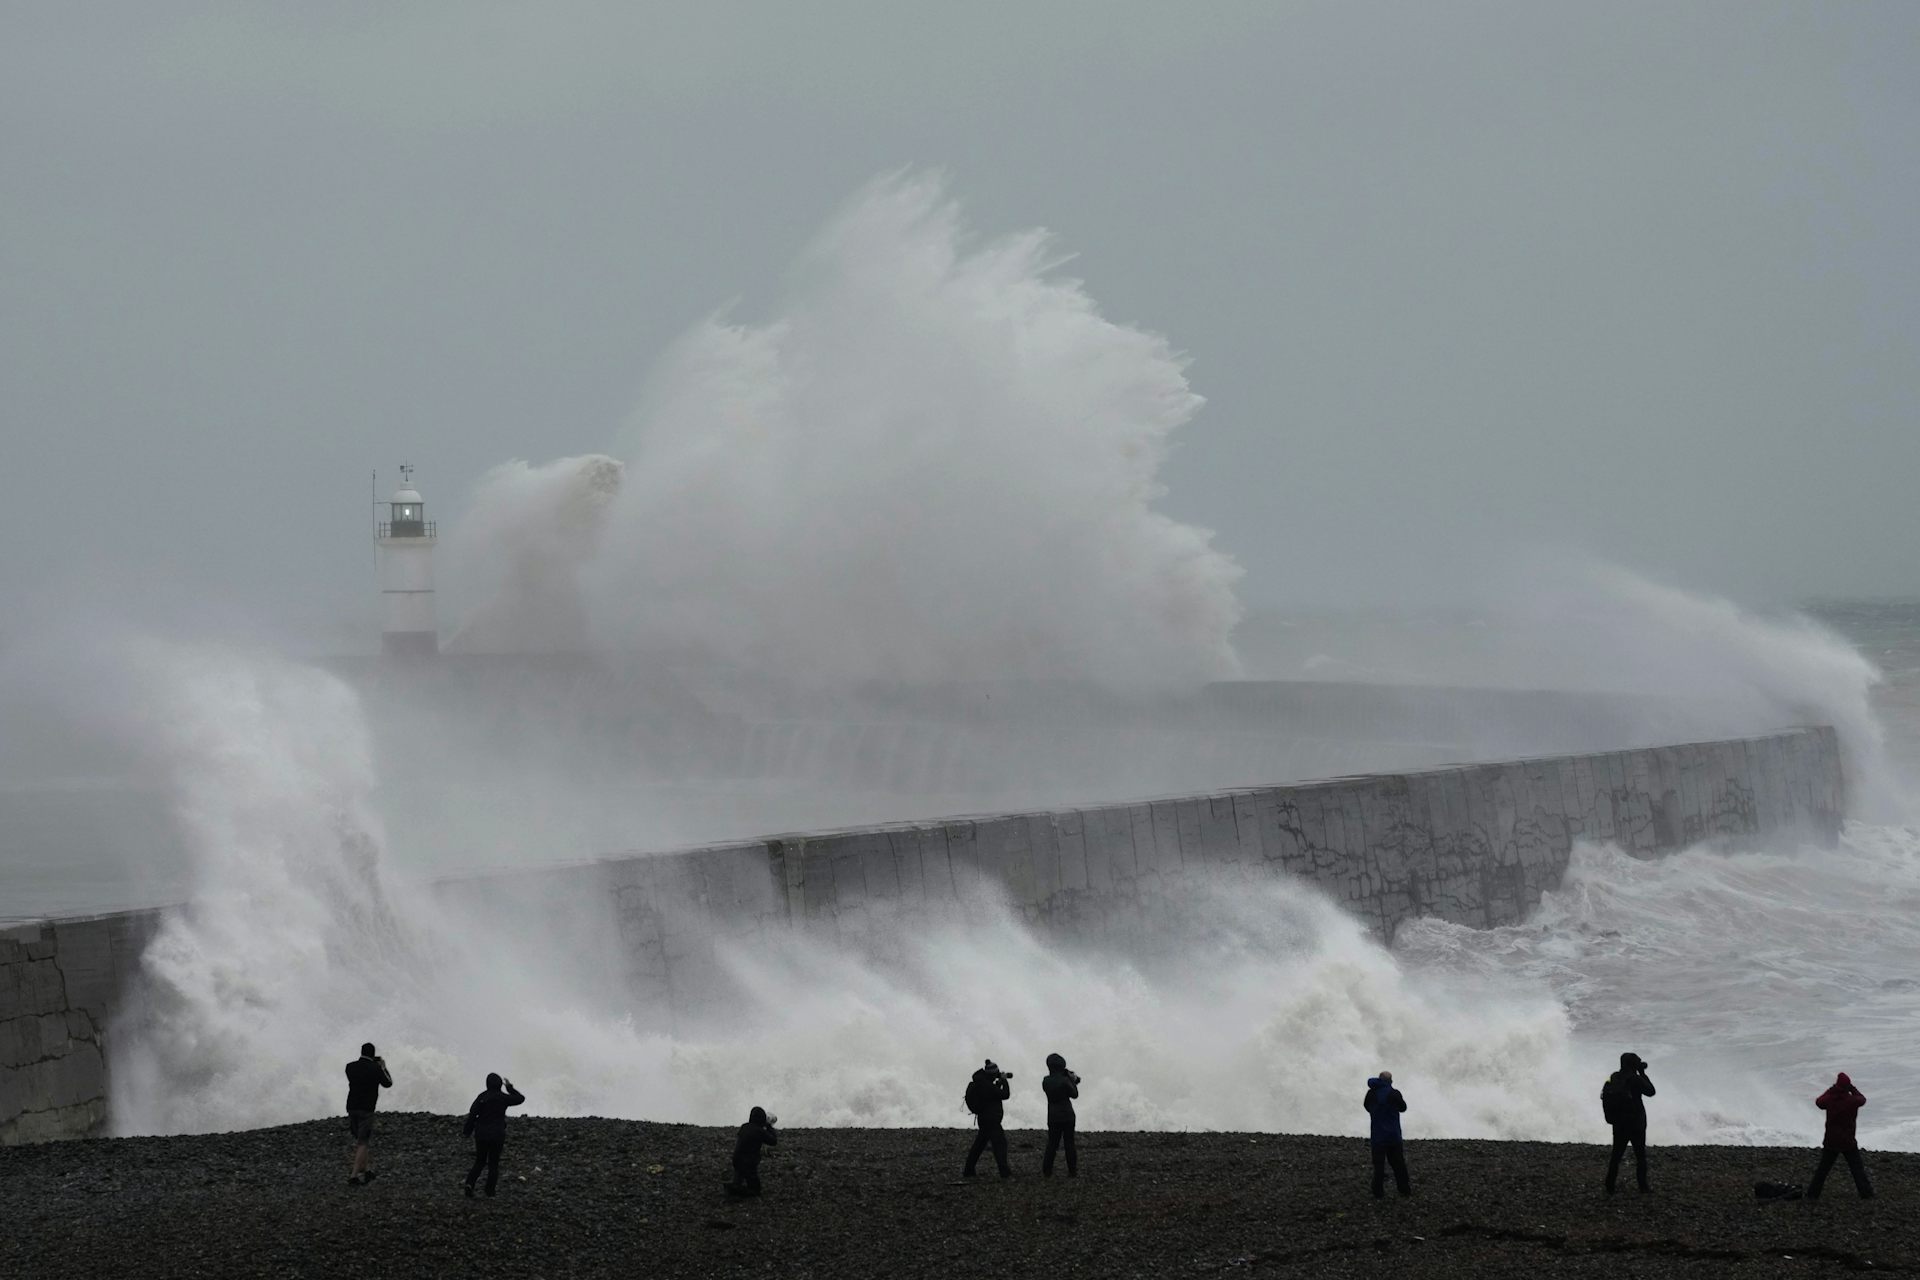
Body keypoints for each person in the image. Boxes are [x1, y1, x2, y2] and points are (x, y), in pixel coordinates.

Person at [1806, 1072, 1874, 1200]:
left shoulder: (1830, 1099)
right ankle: (1866, 1194)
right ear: (1847, 1086)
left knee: (1823, 1169)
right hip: (1848, 1141)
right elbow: (1862, 1099)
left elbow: (1819, 1102)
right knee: (1857, 1169)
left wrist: (1830, 1090)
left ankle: (1812, 1194)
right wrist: (1853, 1089)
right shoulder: (1852, 1100)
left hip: (1831, 1140)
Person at [463, 1073, 526, 1199]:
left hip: (481, 1133)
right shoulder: (502, 1097)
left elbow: (472, 1114)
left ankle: (470, 1184)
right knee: (493, 1163)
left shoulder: (482, 1096)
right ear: (499, 1085)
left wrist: (467, 1131)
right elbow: (520, 1098)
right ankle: (489, 1191)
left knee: (480, 1161)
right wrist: (509, 1087)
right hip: (497, 1134)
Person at [1601, 1051, 1656, 1193]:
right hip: (1636, 1123)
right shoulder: (1635, 1079)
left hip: (1619, 1123)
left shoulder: (1614, 1077)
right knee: (1640, 1156)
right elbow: (1651, 1091)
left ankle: (1610, 1185)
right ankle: (1643, 1186)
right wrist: (1642, 1073)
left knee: (1616, 1156)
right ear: (1634, 1065)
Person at [344, 1042, 392, 1186]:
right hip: (366, 1109)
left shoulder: (350, 1067)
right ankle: (354, 1176)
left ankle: (367, 1170)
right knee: (363, 1142)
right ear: (373, 1054)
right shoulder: (375, 1068)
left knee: (360, 1138)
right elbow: (388, 1083)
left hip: (351, 1107)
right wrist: (383, 1067)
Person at [963, 1059, 1014, 1178]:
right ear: (992, 1074)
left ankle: (968, 1170)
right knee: (1000, 1145)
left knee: (979, 1145)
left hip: (984, 1118)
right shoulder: (987, 1085)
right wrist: (1004, 1081)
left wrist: (998, 1083)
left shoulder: (982, 1082)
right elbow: (1005, 1095)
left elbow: (992, 1094)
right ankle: (1004, 1172)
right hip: (991, 1120)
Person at [1364, 1071, 1411, 1198]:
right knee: (1398, 1164)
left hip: (1377, 1135)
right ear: (1390, 1081)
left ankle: (1378, 1192)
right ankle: (1404, 1189)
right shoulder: (1394, 1093)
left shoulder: (1371, 1093)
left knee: (1379, 1166)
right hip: (1393, 1135)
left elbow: (1366, 1106)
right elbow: (1403, 1108)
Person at [724, 1106, 779, 1196]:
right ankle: (734, 1191)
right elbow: (773, 1141)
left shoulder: (744, 1126)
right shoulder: (759, 1131)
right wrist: (769, 1126)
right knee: (755, 1190)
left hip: (737, 1160)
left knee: (739, 1176)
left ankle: (734, 1186)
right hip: (748, 1163)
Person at [1041, 1053, 1080, 1177]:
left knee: (1052, 1144)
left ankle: (1047, 1171)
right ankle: (1072, 1171)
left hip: (1053, 1116)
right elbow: (1074, 1094)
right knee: (1069, 1143)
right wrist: (1071, 1080)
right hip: (1067, 1115)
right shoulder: (1065, 1080)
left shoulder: (1045, 1081)